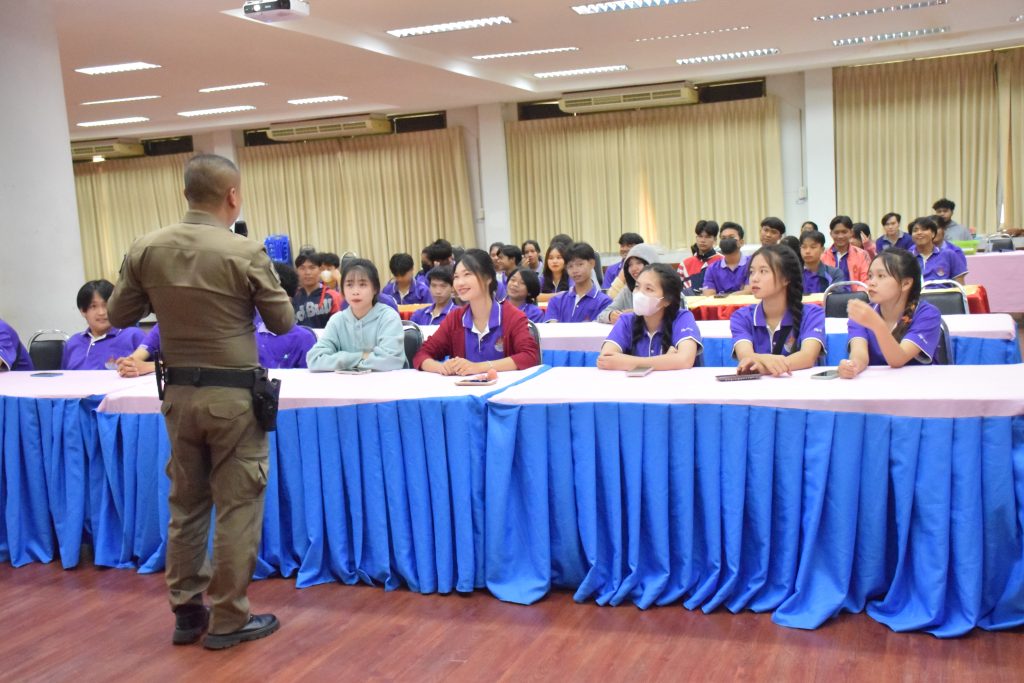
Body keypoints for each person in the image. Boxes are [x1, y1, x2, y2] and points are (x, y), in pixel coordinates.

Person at [107, 154, 294, 649]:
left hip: (177, 396)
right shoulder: (244, 251)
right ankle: (229, 618)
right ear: (232, 196)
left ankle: (187, 612)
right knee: (237, 507)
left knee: (186, 505)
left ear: (185, 193)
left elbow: (120, 313)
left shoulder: (146, 248)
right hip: (233, 398)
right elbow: (283, 323)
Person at [413, 249, 540, 375]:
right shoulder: (455, 319)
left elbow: (529, 356)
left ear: (488, 278)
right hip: (463, 387)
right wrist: (441, 368)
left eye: (467, 274)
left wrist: (480, 367)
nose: (460, 283)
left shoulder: (512, 316)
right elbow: (422, 354)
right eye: (456, 277)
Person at [840, 249, 942, 378]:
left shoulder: (927, 314)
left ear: (905, 283)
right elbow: (860, 354)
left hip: (917, 383)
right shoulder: (863, 314)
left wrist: (877, 325)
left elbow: (898, 359)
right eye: (870, 276)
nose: (871, 282)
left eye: (881, 276)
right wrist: (853, 366)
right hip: (877, 384)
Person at [730, 245, 826, 376]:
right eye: (752, 272)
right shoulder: (741, 317)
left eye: (763, 271)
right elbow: (746, 356)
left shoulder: (812, 314)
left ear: (786, 278)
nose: (754, 278)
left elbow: (808, 356)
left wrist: (764, 366)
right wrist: (767, 361)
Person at [598, 264, 702, 371]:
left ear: (667, 300)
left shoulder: (682, 318)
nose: (639, 294)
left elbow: (685, 360)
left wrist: (624, 362)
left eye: (648, 289)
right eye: (637, 286)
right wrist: (666, 360)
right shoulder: (626, 320)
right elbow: (605, 359)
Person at [306, 259, 405, 372]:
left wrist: (340, 360)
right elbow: (315, 360)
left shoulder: (388, 318)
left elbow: (391, 361)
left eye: (362, 284)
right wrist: (362, 356)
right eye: (349, 285)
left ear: (375, 289)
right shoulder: (337, 320)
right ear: (342, 290)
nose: (355, 292)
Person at [62, 280, 145, 370]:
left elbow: (153, 368)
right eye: (93, 306)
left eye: (106, 305)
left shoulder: (133, 336)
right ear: (83, 311)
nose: (101, 312)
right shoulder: (73, 342)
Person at [544, 242, 613, 323]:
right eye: (570, 266)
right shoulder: (556, 301)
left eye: (580, 264)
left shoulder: (604, 302)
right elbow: (551, 328)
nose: (575, 270)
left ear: (592, 263)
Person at [597, 243, 659, 324]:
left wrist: (635, 314)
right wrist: (610, 316)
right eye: (630, 264)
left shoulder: (665, 288)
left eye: (638, 263)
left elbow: (670, 315)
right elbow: (601, 316)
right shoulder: (627, 290)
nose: (634, 268)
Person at [292, 252, 341, 328]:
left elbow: (339, 326)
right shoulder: (292, 297)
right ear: (296, 271)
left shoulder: (333, 296)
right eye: (302, 268)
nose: (307, 272)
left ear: (320, 270)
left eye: (312, 268)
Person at [701, 222, 750, 295]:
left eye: (731, 237)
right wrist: (739, 293)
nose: (727, 241)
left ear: (741, 242)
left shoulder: (752, 263)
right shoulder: (712, 269)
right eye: (723, 238)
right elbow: (709, 296)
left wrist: (722, 295)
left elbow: (750, 292)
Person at [908, 216, 959, 283]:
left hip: (942, 290)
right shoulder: (906, 258)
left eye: (924, 229)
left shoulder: (948, 254)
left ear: (933, 234)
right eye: (915, 230)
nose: (919, 233)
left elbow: (960, 284)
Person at [821, 215, 870, 283]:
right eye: (836, 232)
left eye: (844, 232)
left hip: (856, 290)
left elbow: (866, 281)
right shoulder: (822, 257)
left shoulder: (862, 255)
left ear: (851, 232)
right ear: (831, 234)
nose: (840, 236)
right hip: (830, 290)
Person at [678, 221, 722, 291]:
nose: (703, 240)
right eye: (700, 236)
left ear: (715, 239)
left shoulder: (722, 261)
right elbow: (677, 289)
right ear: (696, 238)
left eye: (707, 237)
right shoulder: (685, 264)